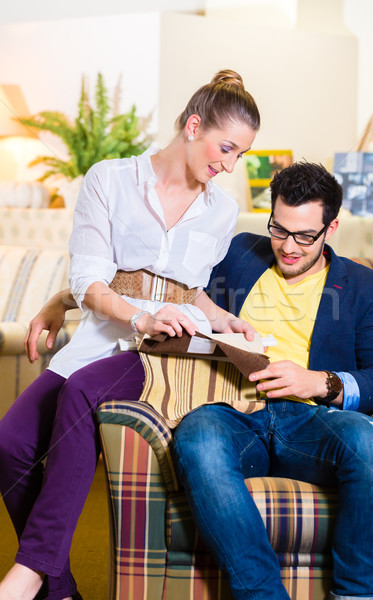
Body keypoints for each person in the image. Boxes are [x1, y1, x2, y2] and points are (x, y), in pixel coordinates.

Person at [0, 69, 260, 600]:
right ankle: (59, 585)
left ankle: (27, 578)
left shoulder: (222, 211)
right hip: (105, 337)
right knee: (9, 444)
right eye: (226, 149)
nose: (229, 166)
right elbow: (88, 279)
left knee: (77, 394)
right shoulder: (109, 179)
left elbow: (188, 293)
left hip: (165, 354)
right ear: (193, 125)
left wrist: (223, 319)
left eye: (239, 156)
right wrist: (135, 316)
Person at [172, 162, 373, 600]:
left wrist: (319, 382)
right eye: (279, 230)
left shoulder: (369, 289)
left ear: (330, 227)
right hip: (235, 415)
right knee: (196, 435)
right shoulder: (239, 253)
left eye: (305, 236)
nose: (288, 247)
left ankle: (356, 596)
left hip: (313, 423)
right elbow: (165, 272)